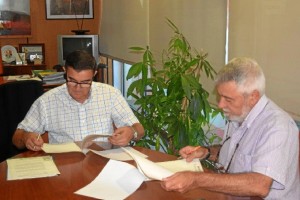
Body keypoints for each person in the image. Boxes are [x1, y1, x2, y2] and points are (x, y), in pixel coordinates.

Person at [161, 57, 300, 199]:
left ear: (253, 97)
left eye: (228, 99)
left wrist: (196, 179)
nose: (220, 105)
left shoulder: (277, 127)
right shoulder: (238, 114)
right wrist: (206, 152)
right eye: (220, 97)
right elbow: (236, 154)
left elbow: (259, 185)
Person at [12, 50, 144, 151]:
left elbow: (139, 129)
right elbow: (17, 137)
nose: (78, 88)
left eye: (85, 82)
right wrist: (26, 138)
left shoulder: (110, 94)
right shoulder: (47, 101)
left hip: (102, 163)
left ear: (94, 74)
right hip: (64, 165)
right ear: (65, 71)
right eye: (72, 80)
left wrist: (132, 132)